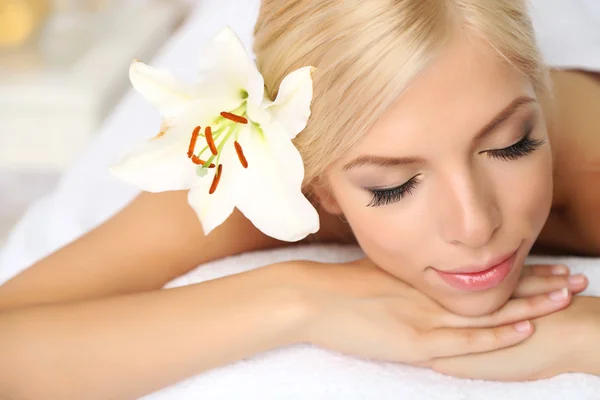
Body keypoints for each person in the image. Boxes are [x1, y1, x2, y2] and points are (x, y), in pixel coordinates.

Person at [1, 0, 599, 398]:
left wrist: (583, 336)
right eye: (392, 185)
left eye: (511, 146)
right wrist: (299, 298)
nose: (474, 225)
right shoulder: (259, 173)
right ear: (314, 179)